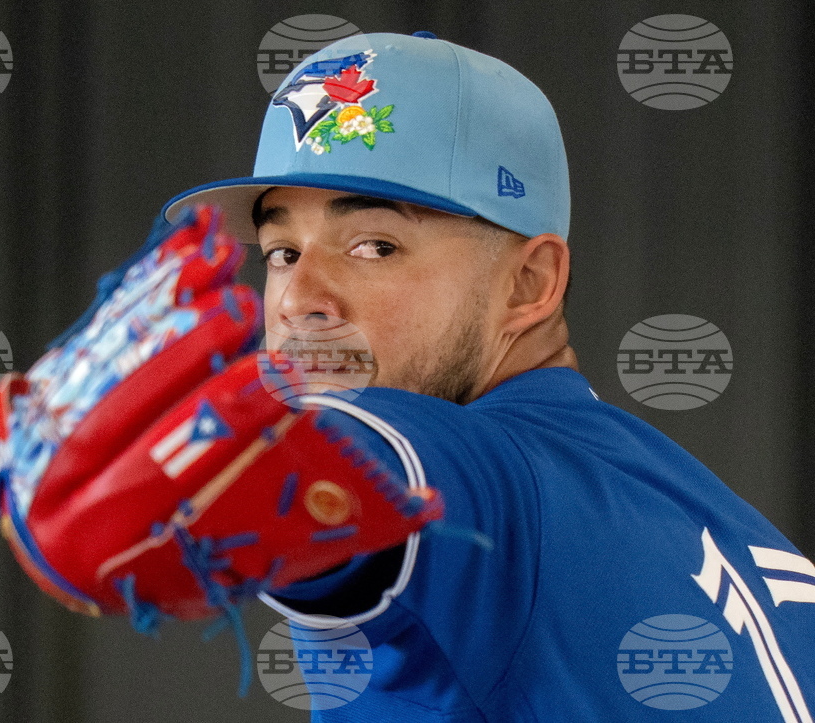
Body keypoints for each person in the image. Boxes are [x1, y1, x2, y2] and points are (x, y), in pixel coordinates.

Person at [158, 31, 815, 721]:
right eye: (282, 251)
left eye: (374, 246)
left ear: (529, 282)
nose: (297, 298)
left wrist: (220, 452)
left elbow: (387, 466)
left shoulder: (499, 484)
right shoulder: (749, 547)